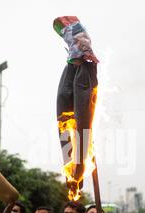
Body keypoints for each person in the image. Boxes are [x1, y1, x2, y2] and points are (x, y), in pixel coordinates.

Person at [54, 16, 99, 198]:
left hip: (82, 74)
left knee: (78, 134)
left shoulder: (86, 68)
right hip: (76, 69)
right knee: (68, 133)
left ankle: (76, 177)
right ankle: (73, 179)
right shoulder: (74, 67)